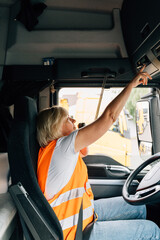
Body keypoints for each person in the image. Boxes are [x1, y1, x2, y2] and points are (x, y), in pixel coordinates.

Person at [37, 66, 160, 240]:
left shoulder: (54, 152)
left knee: (140, 207)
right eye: (67, 118)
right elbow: (109, 117)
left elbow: (85, 151)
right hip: (75, 234)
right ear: (54, 127)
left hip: (83, 215)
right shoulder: (61, 148)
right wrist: (131, 85)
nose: (73, 120)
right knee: (151, 230)